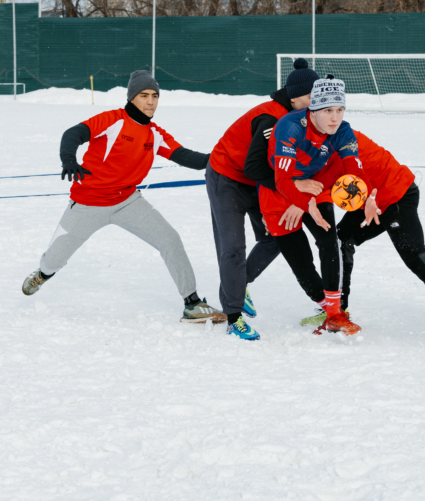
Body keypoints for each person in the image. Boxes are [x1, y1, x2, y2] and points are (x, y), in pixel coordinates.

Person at [22, 70, 224, 324]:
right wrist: (68, 159)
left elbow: (189, 157)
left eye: (155, 96)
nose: (151, 101)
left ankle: (192, 304)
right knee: (54, 260)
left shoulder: (155, 134)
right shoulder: (113, 120)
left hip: (128, 202)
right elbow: (73, 134)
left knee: (170, 239)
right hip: (88, 203)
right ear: (131, 98)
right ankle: (42, 274)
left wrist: (224, 158)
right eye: (144, 95)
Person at [297, 130, 425, 333]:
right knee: (342, 240)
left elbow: (337, 177)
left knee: (413, 254)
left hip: (396, 196)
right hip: (368, 203)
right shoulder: (313, 142)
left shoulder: (340, 137)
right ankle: (337, 310)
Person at [206, 58, 319, 341]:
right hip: (227, 177)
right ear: (294, 97)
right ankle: (233, 317)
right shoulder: (272, 118)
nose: (315, 104)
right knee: (233, 248)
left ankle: (239, 283)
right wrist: (294, 185)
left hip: (257, 180)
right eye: (310, 98)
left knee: (276, 234)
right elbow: (253, 166)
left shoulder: (299, 114)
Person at [257, 76, 376, 336]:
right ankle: (324, 305)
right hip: (278, 190)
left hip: (315, 186)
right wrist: (302, 203)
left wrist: (367, 197)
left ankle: (334, 314)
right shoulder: (290, 126)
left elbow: (354, 170)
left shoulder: (343, 129)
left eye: (340, 109)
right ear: (312, 110)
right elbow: (282, 179)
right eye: (327, 111)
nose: (335, 118)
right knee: (300, 260)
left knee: (328, 241)